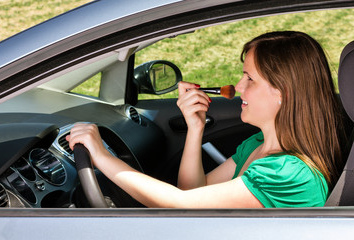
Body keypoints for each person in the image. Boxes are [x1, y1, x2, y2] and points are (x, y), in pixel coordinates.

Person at [67, 31, 344, 208]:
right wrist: (195, 127)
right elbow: (193, 192)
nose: (238, 86)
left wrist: (102, 156)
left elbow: (181, 204)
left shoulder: (287, 172)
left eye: (250, 78)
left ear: (283, 92)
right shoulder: (258, 144)